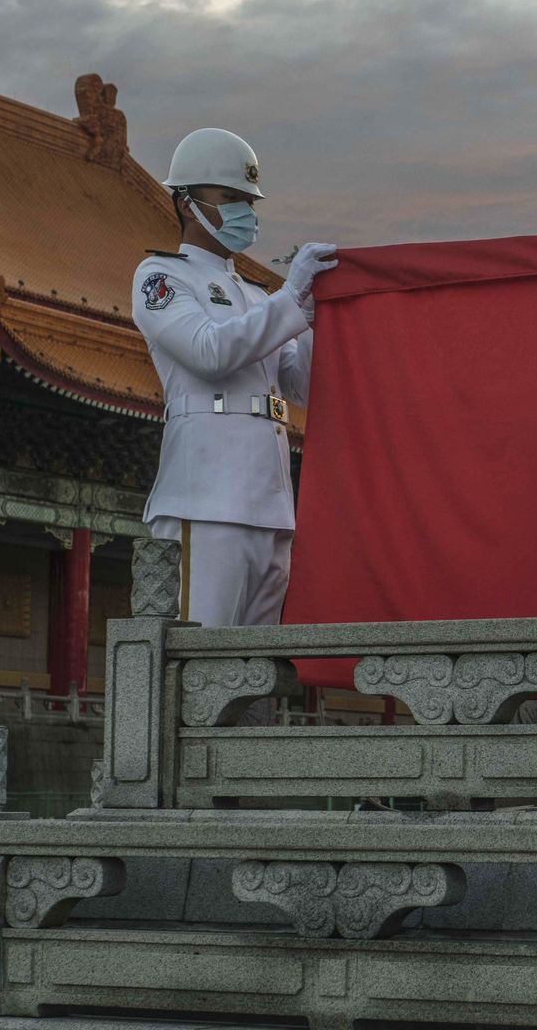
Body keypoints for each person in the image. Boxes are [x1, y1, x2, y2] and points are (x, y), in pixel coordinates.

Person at [133, 128, 339, 692]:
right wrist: (288, 302)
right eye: (230, 200)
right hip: (208, 499)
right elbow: (209, 352)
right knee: (203, 668)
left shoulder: (256, 294)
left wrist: (321, 319)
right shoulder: (162, 278)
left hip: (269, 503)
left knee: (256, 671)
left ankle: (238, 780)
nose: (245, 212)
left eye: (249, 201)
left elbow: (304, 388)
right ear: (186, 204)